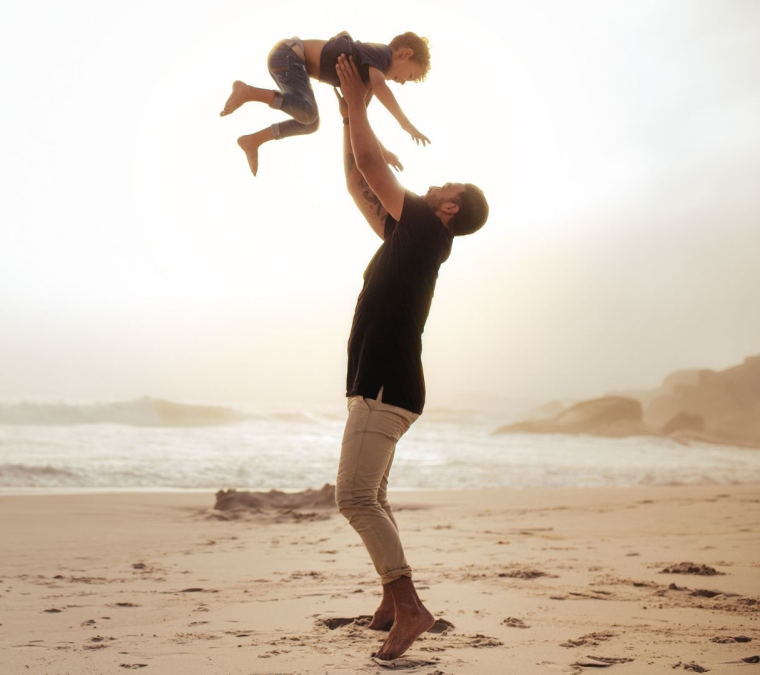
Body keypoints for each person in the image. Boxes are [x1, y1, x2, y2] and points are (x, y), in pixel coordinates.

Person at [332, 53, 488, 661]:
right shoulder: (412, 236)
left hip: (387, 385)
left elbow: (373, 163)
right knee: (376, 496)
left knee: (355, 498)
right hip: (388, 385)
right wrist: (350, 116)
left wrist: (359, 109)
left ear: (449, 209)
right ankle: (391, 604)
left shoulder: (427, 229)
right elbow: (358, 179)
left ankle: (411, 607)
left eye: (448, 185)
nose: (438, 182)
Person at [220, 31, 431, 176]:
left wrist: (384, 152)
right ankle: (247, 92)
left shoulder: (367, 79)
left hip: (289, 62)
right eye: (409, 76)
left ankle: (254, 140)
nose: (403, 82)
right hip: (289, 55)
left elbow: (360, 121)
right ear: (405, 54)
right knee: (309, 112)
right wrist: (406, 125)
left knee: (310, 122)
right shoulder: (381, 54)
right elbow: (382, 88)